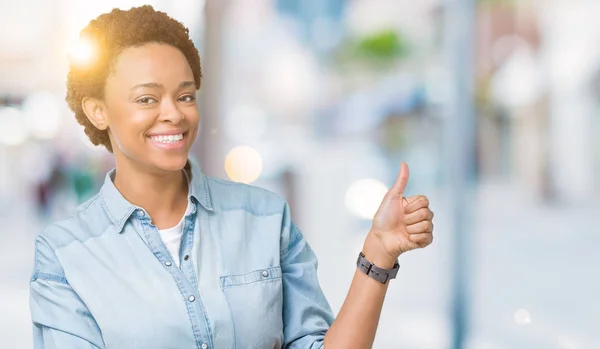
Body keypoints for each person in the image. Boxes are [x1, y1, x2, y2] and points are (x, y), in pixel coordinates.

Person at [29, 5, 435, 349]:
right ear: (98, 110)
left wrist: (378, 252)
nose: (174, 113)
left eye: (185, 95)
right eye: (147, 98)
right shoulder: (64, 254)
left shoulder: (264, 218)